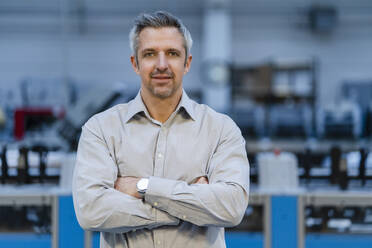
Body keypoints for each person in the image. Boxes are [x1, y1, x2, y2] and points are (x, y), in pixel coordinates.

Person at [72, 11, 249, 248]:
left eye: (173, 54)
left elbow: (231, 207)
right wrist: (187, 209)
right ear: (135, 63)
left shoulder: (220, 129)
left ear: (187, 63)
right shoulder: (101, 129)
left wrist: (142, 187)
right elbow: (91, 210)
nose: (162, 65)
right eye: (150, 54)